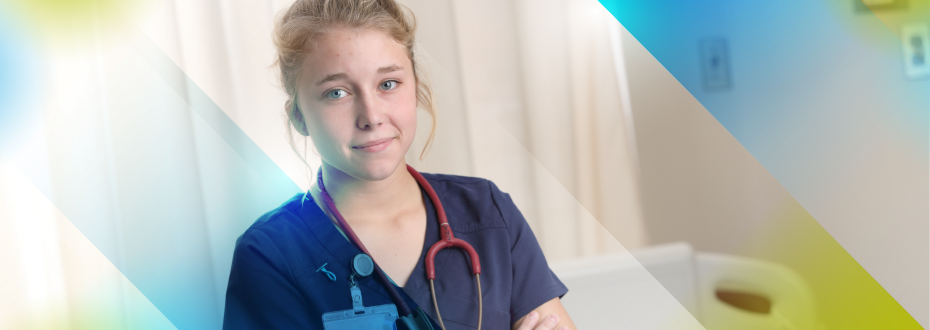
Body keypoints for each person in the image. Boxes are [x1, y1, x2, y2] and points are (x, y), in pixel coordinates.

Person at [223, 1, 576, 329]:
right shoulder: (269, 255)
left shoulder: (486, 211)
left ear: (415, 88)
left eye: (388, 84)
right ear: (299, 115)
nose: (371, 116)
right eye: (337, 93)